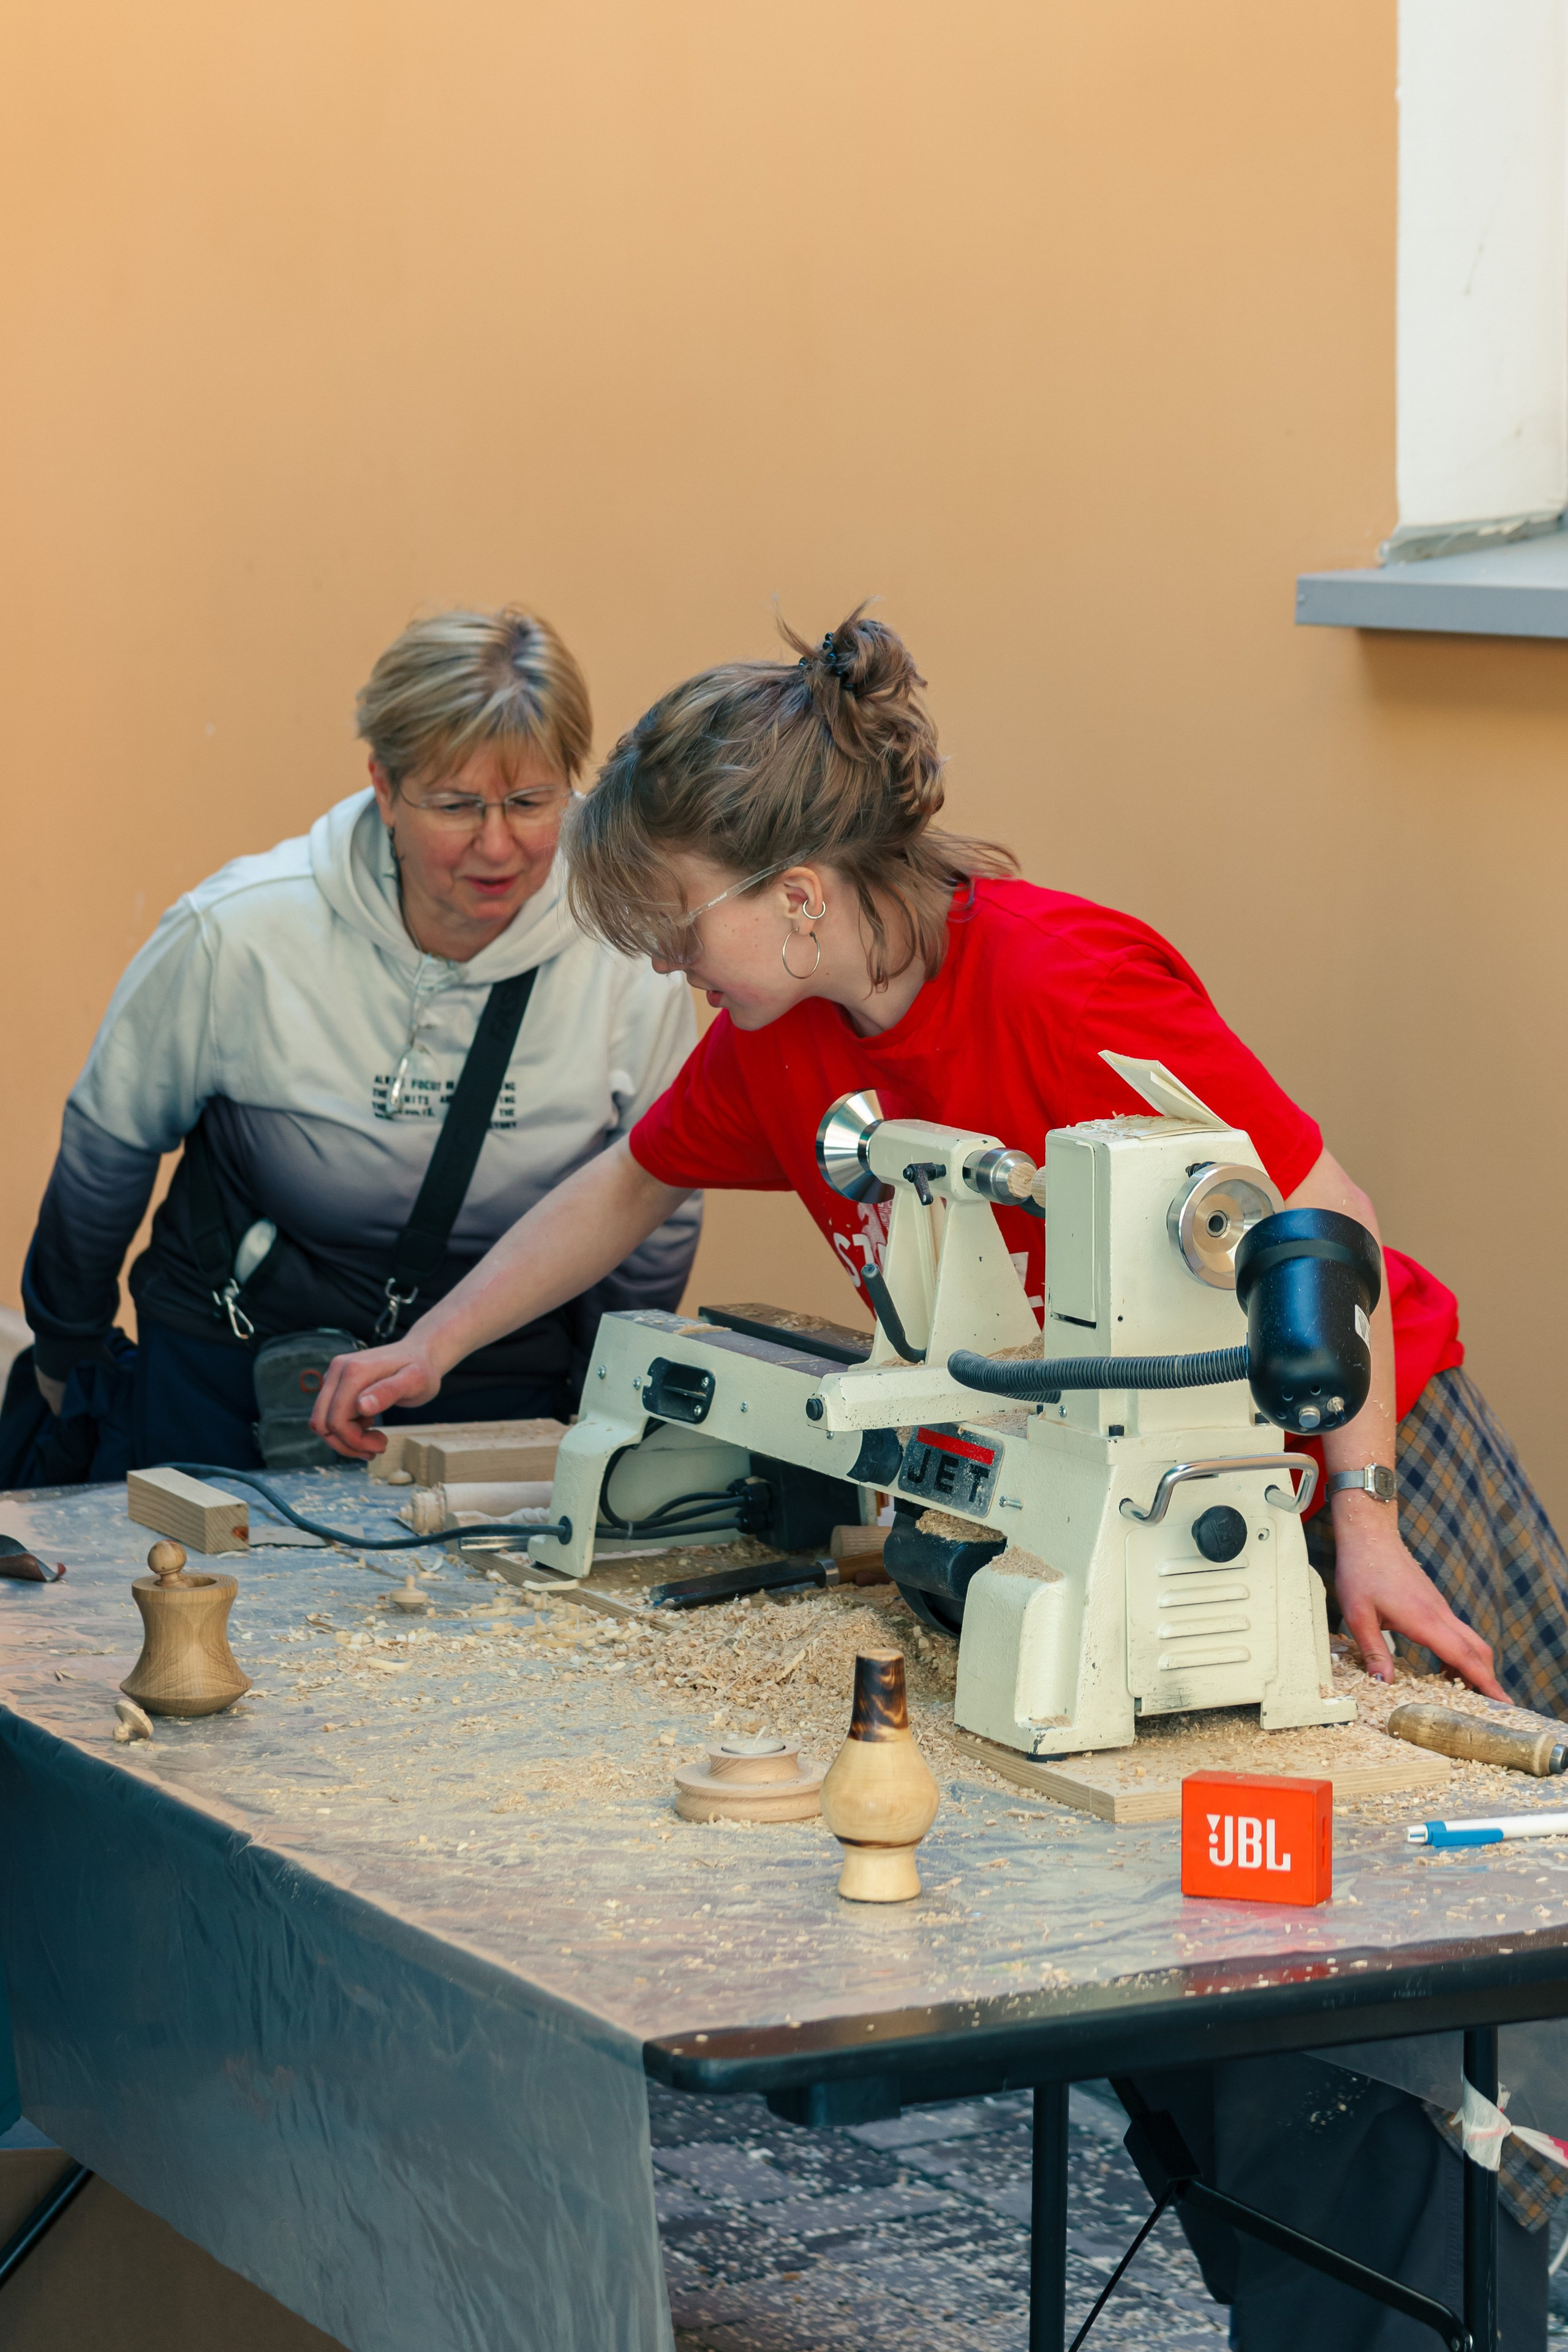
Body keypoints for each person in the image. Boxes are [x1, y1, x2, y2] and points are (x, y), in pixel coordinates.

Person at [312, 606, 1568, 2346]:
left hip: (1355, 1475)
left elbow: (1325, 1225)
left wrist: (1365, 1517)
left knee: (1456, 2006)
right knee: (1242, 2022)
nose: (682, 972)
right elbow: (627, 1183)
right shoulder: (790, 1045)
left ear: (804, 896)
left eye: (683, 932)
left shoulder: (1065, 983)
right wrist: (431, 1348)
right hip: (1123, 1544)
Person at [7, 605, 699, 1478]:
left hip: (497, 1374)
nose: (499, 845)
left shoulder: (629, 957)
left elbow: (657, 1208)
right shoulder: (238, 933)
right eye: (454, 805)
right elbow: (108, 1149)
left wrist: (607, 1401)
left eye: (532, 801)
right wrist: (65, 1351)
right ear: (384, 784)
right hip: (234, 1357)